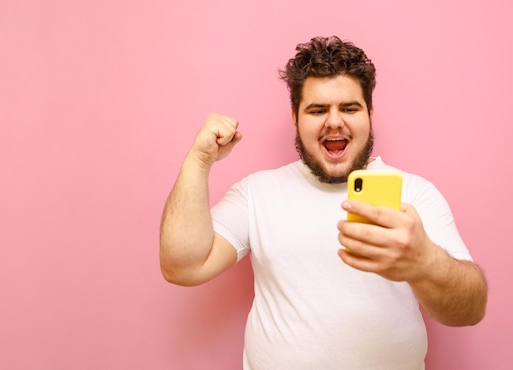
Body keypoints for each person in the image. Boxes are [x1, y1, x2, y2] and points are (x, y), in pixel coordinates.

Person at [160, 36, 487, 370]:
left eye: (349, 108)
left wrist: (425, 261)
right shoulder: (258, 193)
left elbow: (470, 309)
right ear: (295, 117)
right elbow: (183, 266)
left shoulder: (416, 195)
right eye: (317, 110)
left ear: (370, 114)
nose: (334, 121)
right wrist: (199, 161)